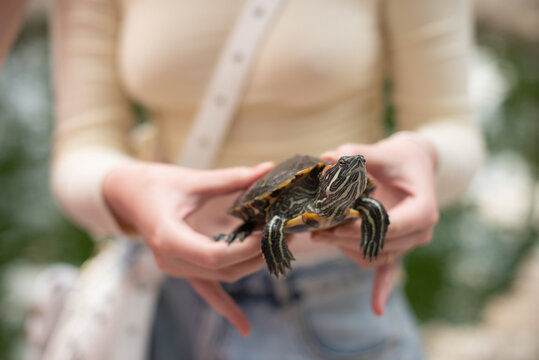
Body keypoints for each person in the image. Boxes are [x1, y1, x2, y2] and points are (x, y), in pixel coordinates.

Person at [49, 0, 484, 359]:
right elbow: (81, 146)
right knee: (273, 219)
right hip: (166, 292)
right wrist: (127, 191)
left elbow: (451, 126)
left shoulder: (343, 192)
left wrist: (425, 158)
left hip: (338, 292)